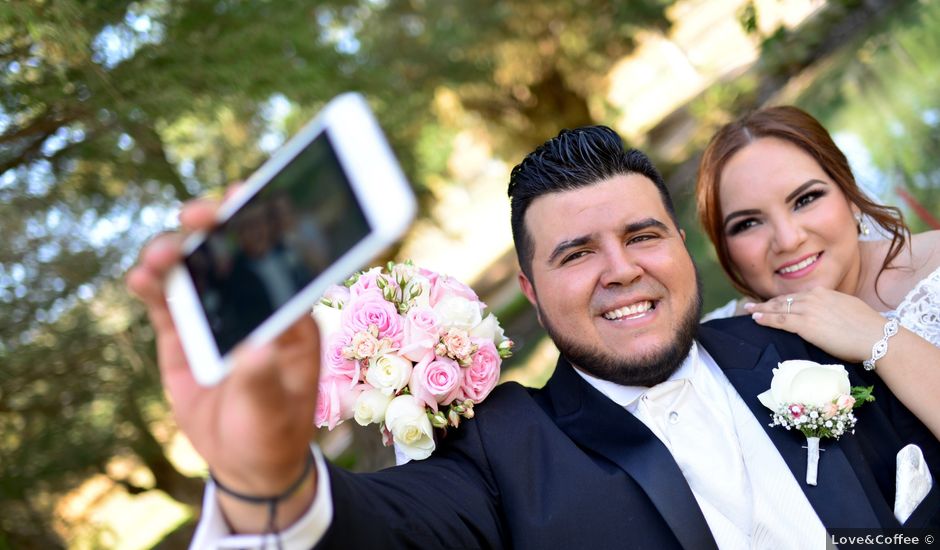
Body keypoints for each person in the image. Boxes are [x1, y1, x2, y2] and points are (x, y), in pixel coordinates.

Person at [128, 126, 939, 549]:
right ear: (530, 292)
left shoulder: (805, 344)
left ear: (683, 248)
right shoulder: (498, 452)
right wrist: (262, 483)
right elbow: (382, 533)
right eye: (577, 253)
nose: (621, 270)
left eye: (642, 235)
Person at [696, 105, 940, 439]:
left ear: (850, 193)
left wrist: (879, 338)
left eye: (805, 199)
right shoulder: (718, 347)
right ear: (724, 249)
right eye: (748, 223)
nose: (788, 239)